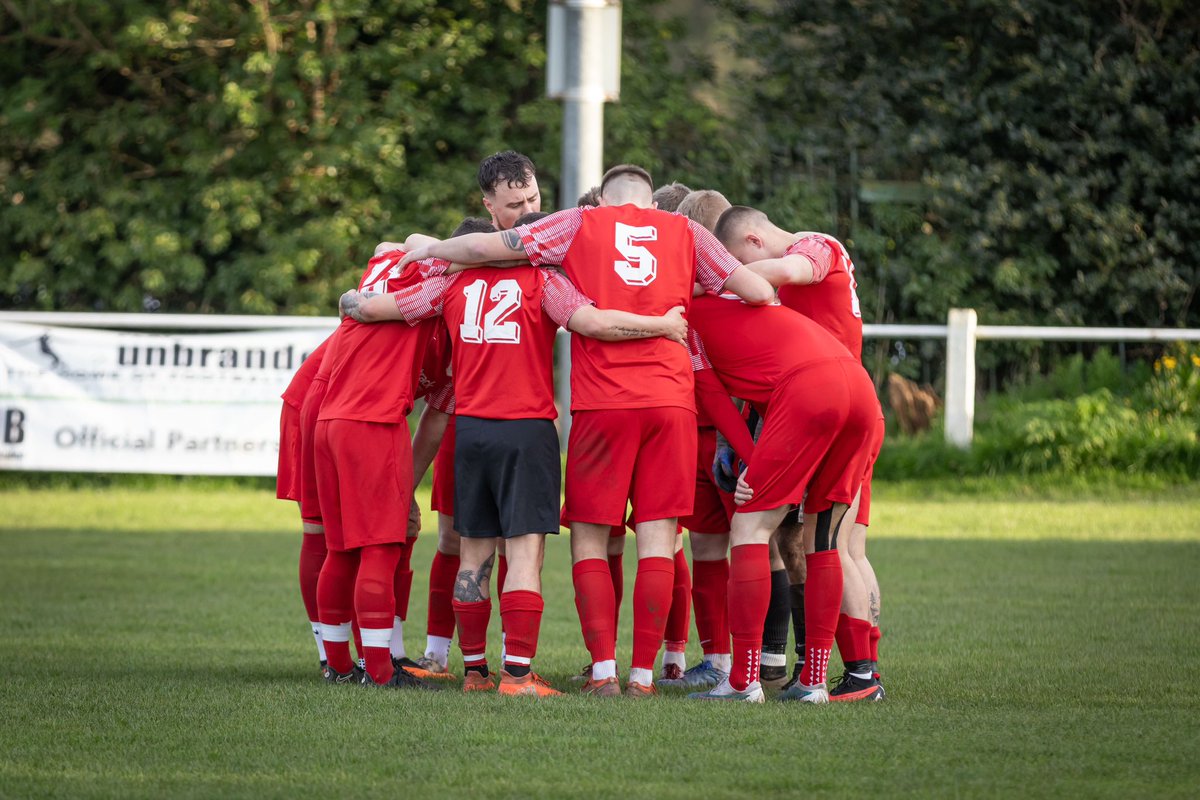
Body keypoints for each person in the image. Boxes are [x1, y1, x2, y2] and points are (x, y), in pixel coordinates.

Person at [396, 164, 775, 697]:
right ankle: (645, 673)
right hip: (670, 401)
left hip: (599, 404)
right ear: (650, 200)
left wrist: (427, 247)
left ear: (604, 199)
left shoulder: (578, 222)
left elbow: (484, 251)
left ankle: (600, 672)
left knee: (590, 541)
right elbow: (756, 289)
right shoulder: (686, 232)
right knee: (659, 541)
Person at [340, 212, 690, 696]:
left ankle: (476, 673)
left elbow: (378, 309)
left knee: (474, 552)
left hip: (471, 431)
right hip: (525, 431)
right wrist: (663, 324)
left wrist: (353, 300)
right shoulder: (543, 280)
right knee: (524, 554)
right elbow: (592, 322)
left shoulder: (450, 286)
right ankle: (519, 676)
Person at [717, 205, 886, 699]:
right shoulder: (810, 254)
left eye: (735, 260)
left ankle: (859, 671)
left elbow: (788, 272)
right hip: (837, 403)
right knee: (827, 542)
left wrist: (716, 279)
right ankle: (852, 672)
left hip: (825, 404)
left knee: (830, 543)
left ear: (752, 239)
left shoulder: (815, 245)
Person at [684, 292, 882, 703]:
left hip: (811, 389)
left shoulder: (684, 312)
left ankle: (743, 680)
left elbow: (713, 396)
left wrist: (752, 462)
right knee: (823, 539)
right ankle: (814, 682)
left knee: (750, 527)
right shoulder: (748, 297)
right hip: (861, 389)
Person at [311, 240, 458, 690]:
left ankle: (337, 664)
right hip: (373, 420)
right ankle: (377, 671)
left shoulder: (387, 263)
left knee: (339, 550)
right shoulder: (444, 282)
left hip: (330, 417)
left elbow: (389, 245)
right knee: (380, 547)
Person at [276, 338, 333, 676]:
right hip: (314, 404)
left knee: (345, 537)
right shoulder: (423, 299)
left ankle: (373, 653)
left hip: (342, 407)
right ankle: (329, 652)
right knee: (321, 533)